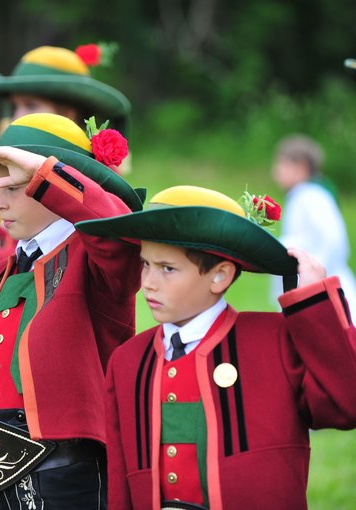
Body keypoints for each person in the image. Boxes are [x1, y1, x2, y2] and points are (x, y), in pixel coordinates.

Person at [74, 185, 356, 509]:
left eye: (167, 268)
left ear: (220, 276)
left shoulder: (274, 341)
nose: (149, 282)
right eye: (145, 264)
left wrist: (314, 301)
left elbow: (346, 404)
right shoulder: (127, 361)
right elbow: (120, 487)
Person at [0, 112, 144, 509]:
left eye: (14, 188)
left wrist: (44, 169)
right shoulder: (8, 264)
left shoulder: (95, 258)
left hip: (65, 477)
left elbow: (120, 236)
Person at [0, 44, 131, 135]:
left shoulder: (96, 181)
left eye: (30, 105)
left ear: (68, 115)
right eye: (15, 107)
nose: (16, 118)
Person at [271, 134, 356, 308]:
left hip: (325, 293)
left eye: (282, 164)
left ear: (301, 167)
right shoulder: (303, 196)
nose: (276, 170)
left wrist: (312, 281)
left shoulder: (311, 196)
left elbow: (333, 239)